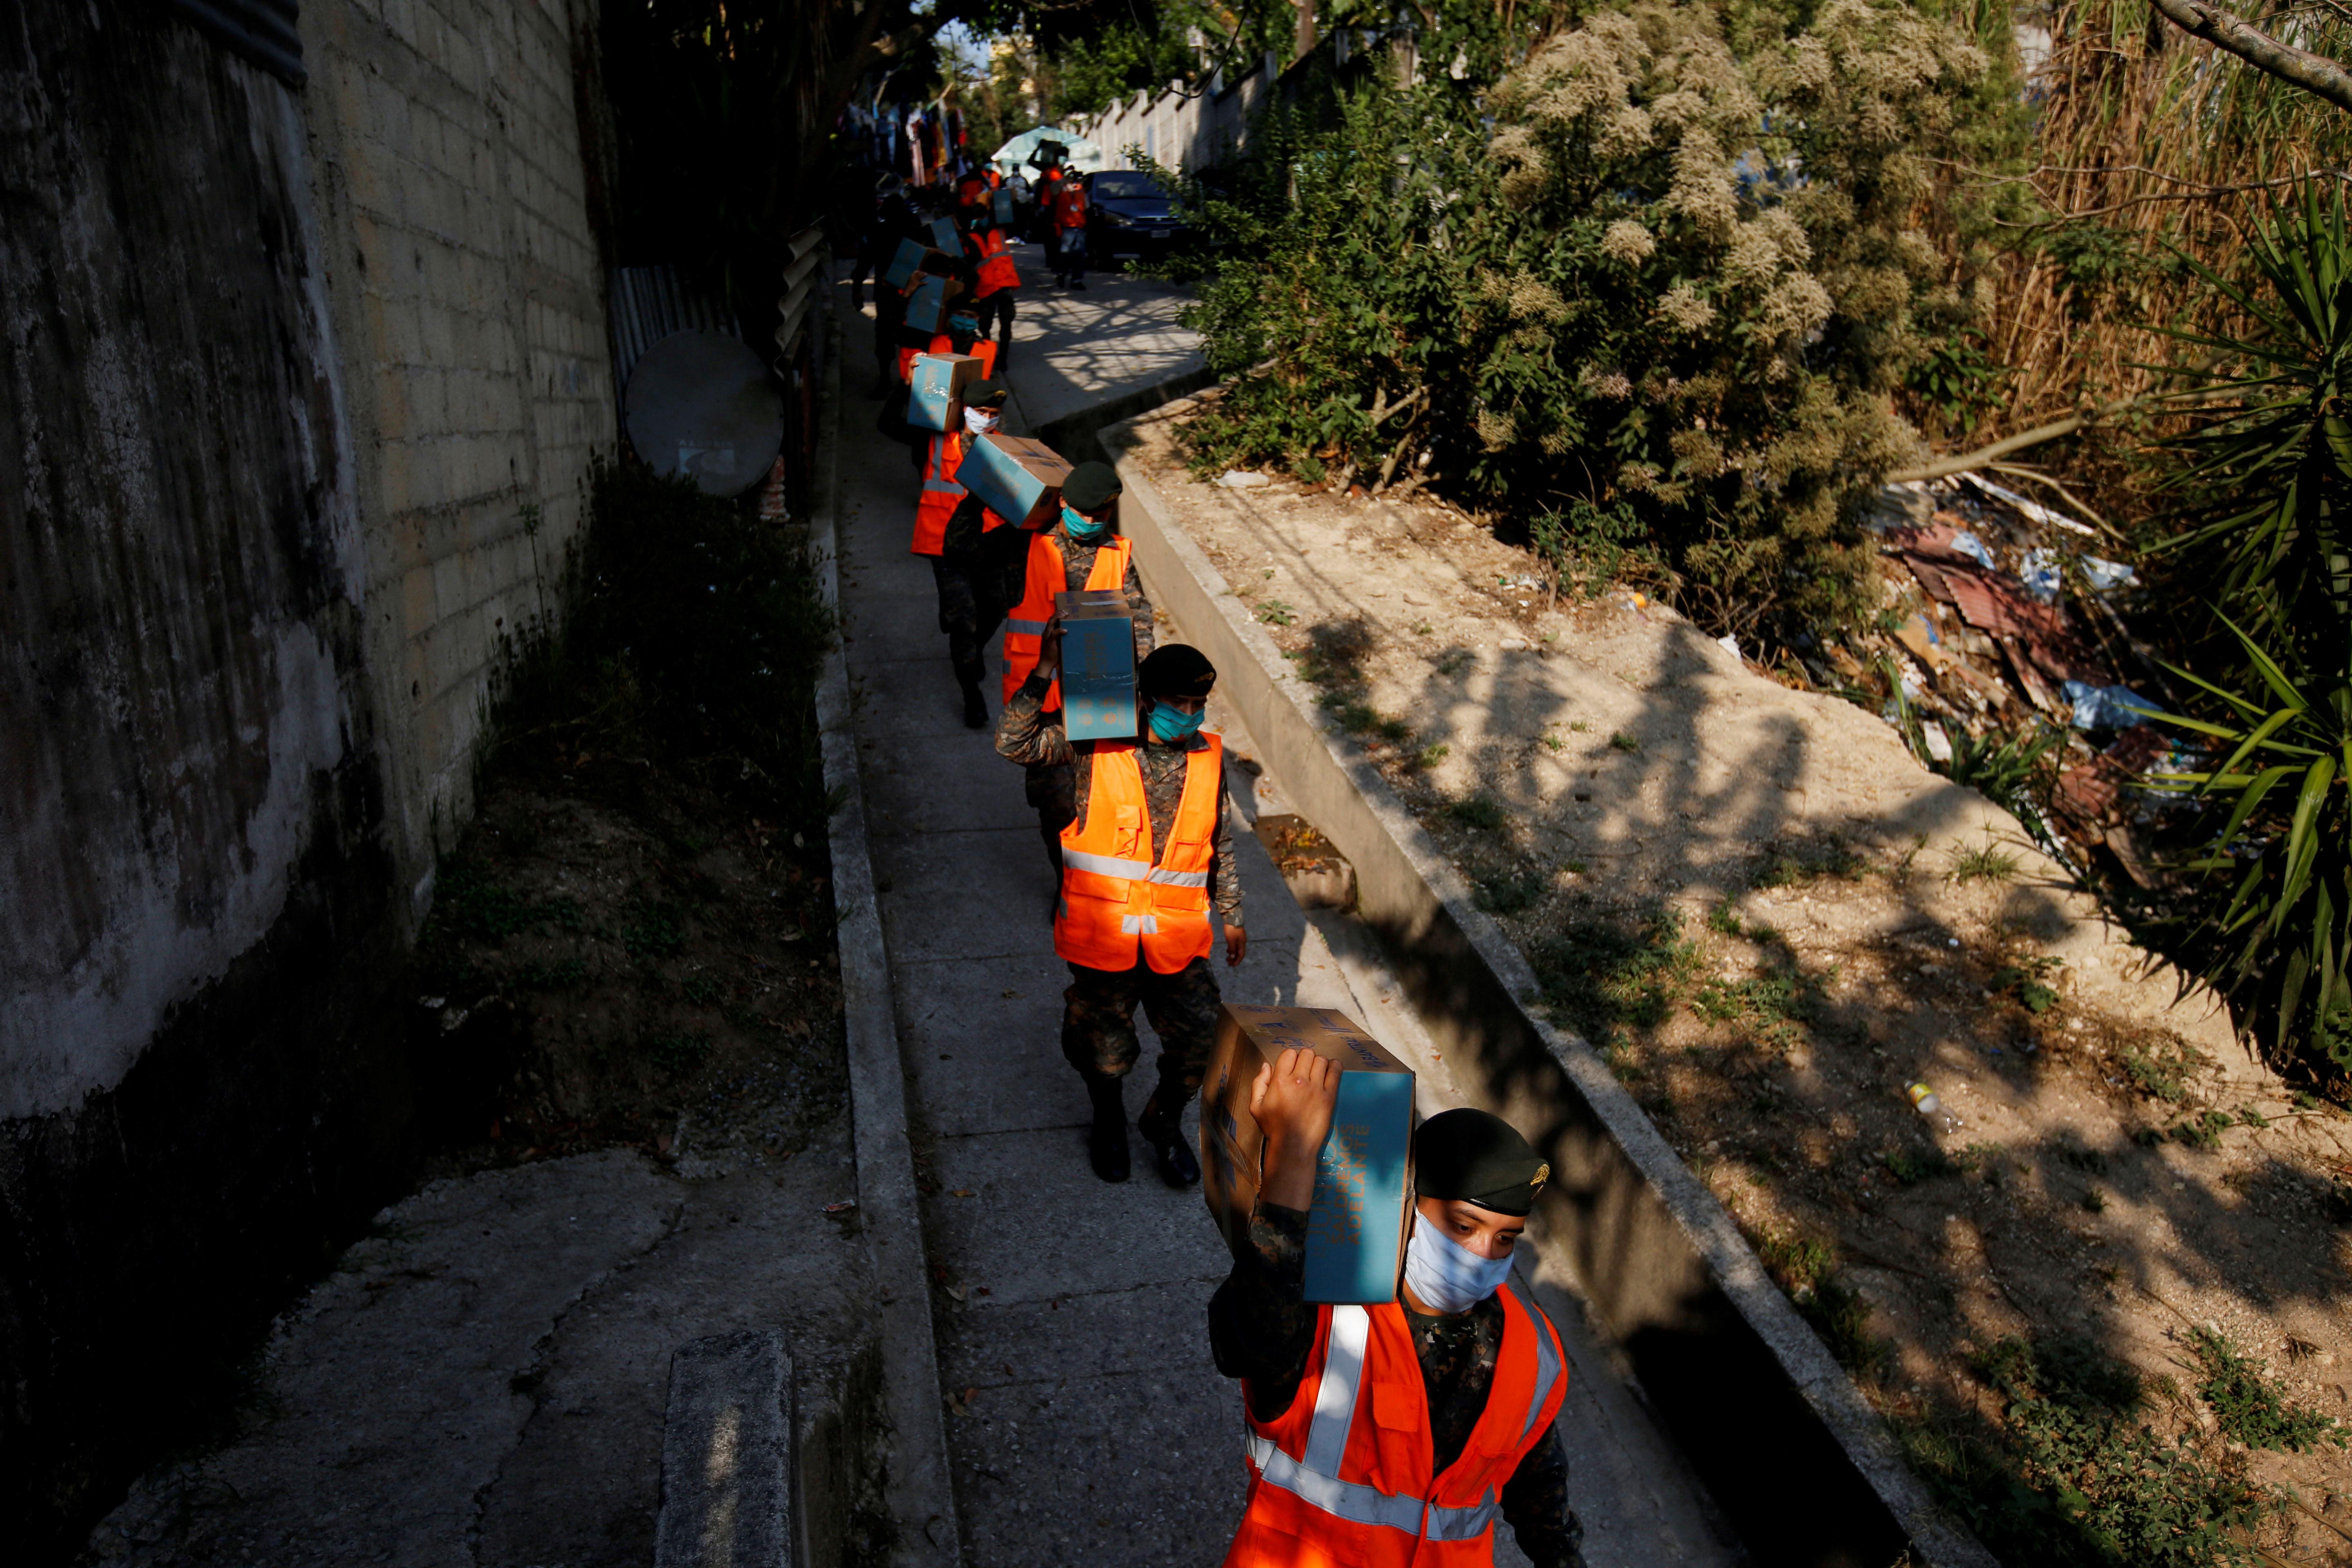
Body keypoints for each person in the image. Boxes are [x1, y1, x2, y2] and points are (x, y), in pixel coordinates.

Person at [1210, 1097, 1587, 1567]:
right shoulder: (1327, 1308)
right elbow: (1244, 1344)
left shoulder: (1530, 1348)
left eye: (1506, 1239)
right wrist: (1290, 1165)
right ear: (1408, 1205)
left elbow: (1538, 1483)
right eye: (1463, 1226)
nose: (1483, 1255)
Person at [997, 640, 1247, 1185]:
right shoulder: (1096, 744)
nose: (1188, 715)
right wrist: (1044, 669)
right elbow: (1014, 742)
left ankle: (1162, 1121)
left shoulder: (1207, 756)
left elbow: (1219, 838)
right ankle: (1108, 1119)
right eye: (1177, 703)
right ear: (1145, 698)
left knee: (1202, 1041)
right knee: (1102, 1048)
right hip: (1104, 933)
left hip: (1175, 934)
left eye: (1197, 705)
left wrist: (1232, 910)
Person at [999, 461, 1152, 872]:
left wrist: (1141, 685)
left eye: (1101, 515)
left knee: (1095, 803)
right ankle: (1062, 878)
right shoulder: (1027, 545)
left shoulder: (1117, 554)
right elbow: (971, 555)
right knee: (1054, 806)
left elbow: (1139, 623)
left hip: (1100, 701)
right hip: (1043, 705)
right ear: (1064, 503)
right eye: (1085, 513)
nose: (1093, 522)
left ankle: (1078, 882)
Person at [907, 379, 1018, 726]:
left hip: (988, 545)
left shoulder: (1005, 447)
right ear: (964, 410)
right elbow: (891, 425)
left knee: (996, 609)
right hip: (944, 545)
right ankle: (972, 694)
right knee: (963, 621)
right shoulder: (937, 440)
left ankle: (975, 648)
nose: (987, 418)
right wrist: (911, 385)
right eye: (981, 411)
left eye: (994, 413)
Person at [961, 205, 1020, 366]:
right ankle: (990, 353)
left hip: (1004, 283)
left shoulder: (1000, 231)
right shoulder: (969, 238)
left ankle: (1004, 357)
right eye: (978, 217)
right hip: (985, 287)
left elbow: (1016, 223)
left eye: (983, 216)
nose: (981, 219)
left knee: (1006, 321)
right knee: (985, 324)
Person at [1049, 166, 1089, 289]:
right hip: (1066, 226)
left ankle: (1077, 280)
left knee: (1080, 254)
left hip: (1079, 225)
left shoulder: (1080, 188)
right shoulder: (1061, 187)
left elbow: (1087, 205)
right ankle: (1061, 275)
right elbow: (1053, 190)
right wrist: (1064, 180)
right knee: (1065, 254)